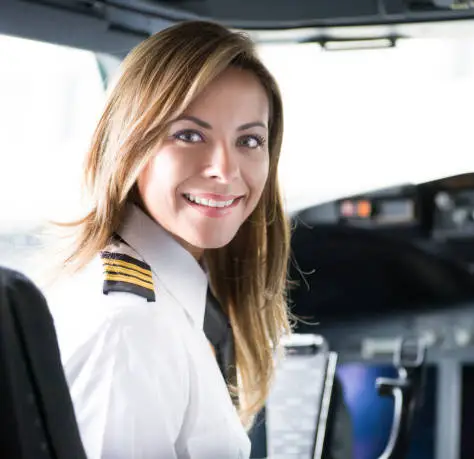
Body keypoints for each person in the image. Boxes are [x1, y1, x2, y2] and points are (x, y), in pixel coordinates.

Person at [44, 20, 291, 459]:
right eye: (189, 135)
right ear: (129, 145)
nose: (226, 170)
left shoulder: (165, 300)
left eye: (249, 140)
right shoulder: (132, 327)